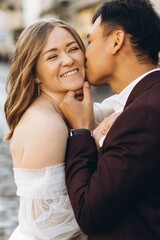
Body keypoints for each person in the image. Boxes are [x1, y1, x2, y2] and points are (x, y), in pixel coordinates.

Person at [60, 0, 160, 239]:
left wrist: (81, 131)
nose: (83, 54)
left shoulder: (144, 113)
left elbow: (89, 214)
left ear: (116, 41)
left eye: (90, 40)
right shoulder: (145, 101)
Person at [4, 17, 88, 240]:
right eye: (53, 56)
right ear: (35, 74)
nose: (68, 60)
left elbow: (108, 110)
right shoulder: (46, 125)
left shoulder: (63, 110)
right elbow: (47, 223)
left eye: (73, 49)